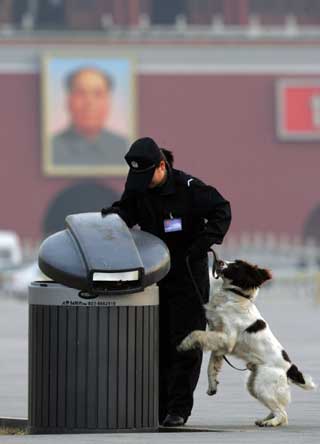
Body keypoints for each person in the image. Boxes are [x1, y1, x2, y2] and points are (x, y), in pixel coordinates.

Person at [101, 137, 232, 427]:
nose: (144, 183)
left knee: (184, 342)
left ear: (162, 166)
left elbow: (222, 210)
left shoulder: (190, 189)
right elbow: (128, 208)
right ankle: (157, 407)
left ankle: (178, 409)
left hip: (187, 275)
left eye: (149, 176)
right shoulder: (138, 184)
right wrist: (114, 216)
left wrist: (202, 243)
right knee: (155, 343)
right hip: (153, 274)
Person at [52, 67, 128, 166]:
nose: (89, 103)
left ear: (108, 102)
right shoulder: (52, 147)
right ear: (68, 101)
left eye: (98, 94)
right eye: (81, 93)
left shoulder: (124, 146)